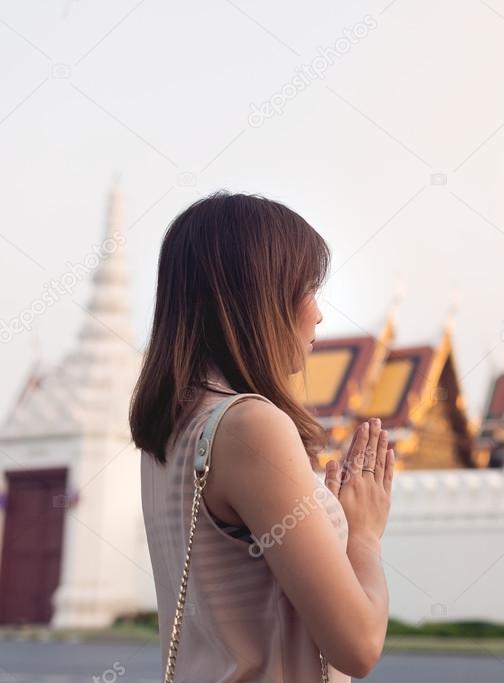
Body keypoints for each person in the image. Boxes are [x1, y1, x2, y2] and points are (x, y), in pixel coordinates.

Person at [129, 192, 395, 681]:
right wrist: (363, 534)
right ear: (260, 296)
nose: (318, 314)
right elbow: (359, 646)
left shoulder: (170, 431)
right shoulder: (251, 426)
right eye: (306, 289)